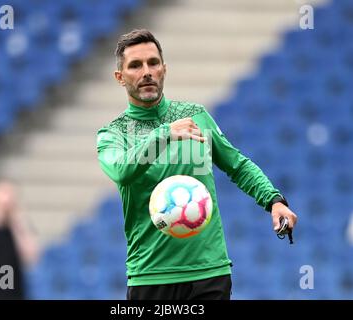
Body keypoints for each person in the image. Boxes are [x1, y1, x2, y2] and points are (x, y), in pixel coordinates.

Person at [96, 29, 298, 300]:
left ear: (164, 69)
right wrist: (165, 133)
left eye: (153, 63)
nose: (147, 72)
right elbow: (121, 171)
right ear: (120, 77)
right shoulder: (113, 134)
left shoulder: (196, 116)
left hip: (209, 273)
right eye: (135, 65)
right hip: (152, 275)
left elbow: (236, 165)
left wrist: (273, 200)